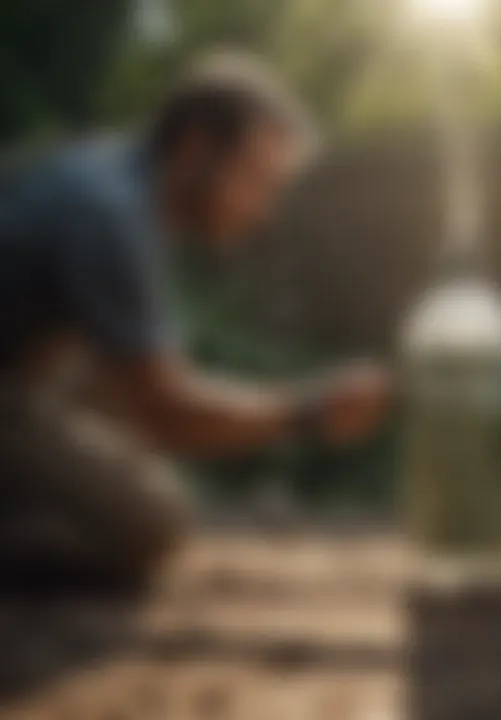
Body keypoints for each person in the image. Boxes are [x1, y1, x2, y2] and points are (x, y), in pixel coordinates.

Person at [0, 52, 391, 593]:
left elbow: (128, 386)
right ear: (195, 146)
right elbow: (168, 411)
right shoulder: (109, 212)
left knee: (116, 428)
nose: (264, 210)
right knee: (151, 522)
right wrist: (310, 411)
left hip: (21, 383)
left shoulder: (111, 180)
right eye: (257, 179)